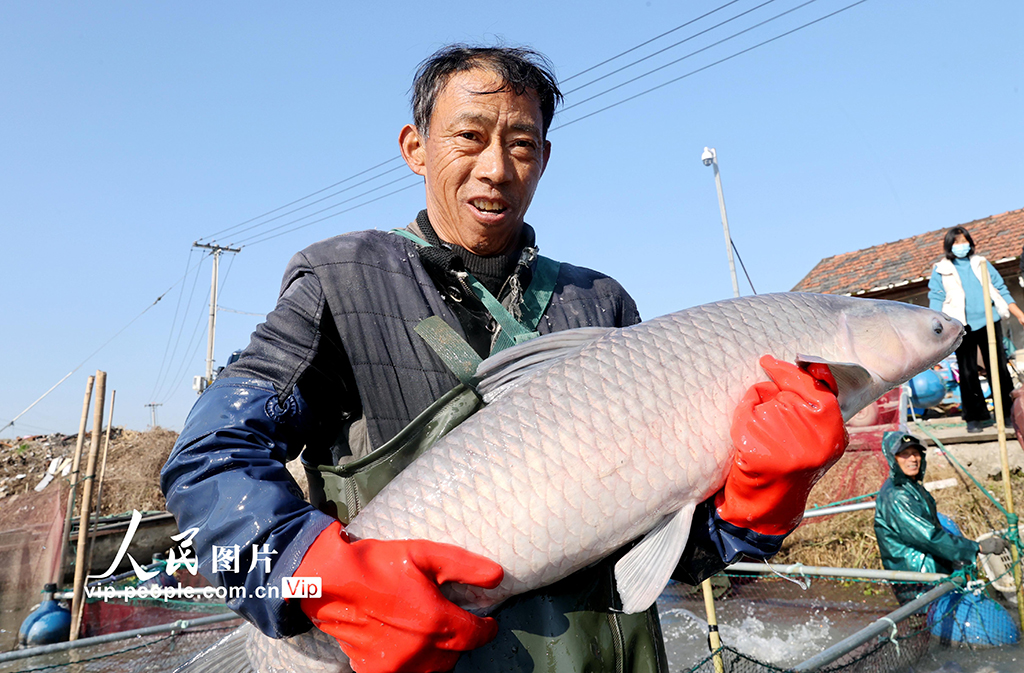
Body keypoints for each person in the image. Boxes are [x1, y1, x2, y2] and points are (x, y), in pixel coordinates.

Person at [161, 45, 848, 673]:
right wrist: (313, 570)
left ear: (543, 159)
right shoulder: (341, 280)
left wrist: (759, 505)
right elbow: (210, 456)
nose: (495, 167)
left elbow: (678, 560)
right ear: (415, 147)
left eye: (520, 144)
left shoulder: (600, 305)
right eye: (469, 136)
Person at [874, 432, 1006, 602]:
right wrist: (976, 547)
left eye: (915, 453)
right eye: (904, 455)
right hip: (918, 580)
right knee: (924, 623)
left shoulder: (911, 485)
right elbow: (929, 537)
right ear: (893, 459)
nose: (912, 459)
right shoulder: (898, 495)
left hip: (931, 571)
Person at [928, 226, 1024, 432]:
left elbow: (1000, 288)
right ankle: (975, 417)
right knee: (968, 371)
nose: (961, 246)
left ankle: (1008, 413)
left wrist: (1018, 313)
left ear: (970, 243)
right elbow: (936, 297)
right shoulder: (941, 269)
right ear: (949, 246)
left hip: (989, 321)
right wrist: (933, 324)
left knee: (998, 368)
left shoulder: (981, 263)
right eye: (956, 242)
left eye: (964, 241)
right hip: (962, 325)